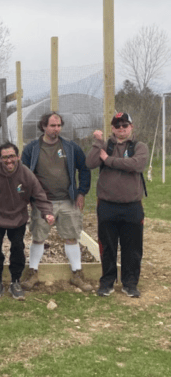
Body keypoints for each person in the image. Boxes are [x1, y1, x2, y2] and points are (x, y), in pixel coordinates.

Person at [0, 142, 54, 300]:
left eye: (12, 156)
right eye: (5, 157)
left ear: (18, 157)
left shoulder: (26, 174)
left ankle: (15, 282)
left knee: (18, 249)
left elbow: (39, 195)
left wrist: (47, 213)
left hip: (18, 218)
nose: (9, 161)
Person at [21, 112, 92, 292]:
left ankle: (77, 274)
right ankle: (33, 273)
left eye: (59, 125)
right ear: (43, 126)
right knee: (38, 238)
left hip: (67, 200)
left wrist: (81, 192)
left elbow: (84, 169)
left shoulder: (70, 147)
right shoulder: (32, 149)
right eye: (52, 125)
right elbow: (24, 174)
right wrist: (28, 198)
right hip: (42, 202)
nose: (56, 129)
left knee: (71, 237)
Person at [86, 112, 148, 298]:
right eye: (117, 126)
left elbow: (136, 164)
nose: (121, 129)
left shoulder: (139, 146)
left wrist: (108, 160)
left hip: (132, 206)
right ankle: (107, 282)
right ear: (112, 128)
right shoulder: (106, 145)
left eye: (125, 125)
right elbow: (90, 163)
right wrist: (98, 143)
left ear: (131, 127)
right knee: (108, 247)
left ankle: (130, 284)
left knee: (133, 248)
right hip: (107, 205)